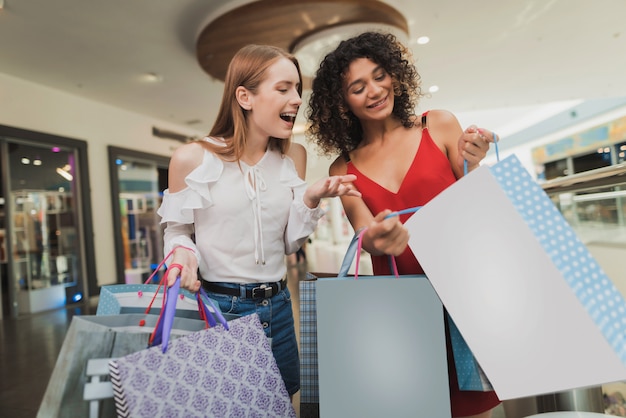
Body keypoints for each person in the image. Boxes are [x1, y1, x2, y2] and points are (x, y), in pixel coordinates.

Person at [306, 31, 500, 418]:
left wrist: (474, 163)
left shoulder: (438, 125)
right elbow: (365, 234)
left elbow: (476, 205)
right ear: (342, 102)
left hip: (466, 294)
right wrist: (376, 238)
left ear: (394, 74)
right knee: (419, 404)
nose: (375, 90)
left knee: (477, 408)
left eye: (380, 76)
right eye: (357, 87)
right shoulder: (343, 168)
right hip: (404, 308)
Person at [157, 43, 360, 398]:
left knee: (283, 401)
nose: (297, 99)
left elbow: (288, 243)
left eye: (297, 88)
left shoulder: (292, 155)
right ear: (245, 97)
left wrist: (310, 198)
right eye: (283, 89)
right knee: (233, 404)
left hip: (279, 306)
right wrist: (183, 255)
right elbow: (178, 231)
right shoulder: (191, 158)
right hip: (221, 309)